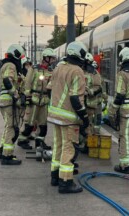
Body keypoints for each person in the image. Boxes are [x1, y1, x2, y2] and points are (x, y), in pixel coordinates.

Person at [47, 41, 89, 193]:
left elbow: (49, 89)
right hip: (69, 118)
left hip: (55, 115)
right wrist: (84, 117)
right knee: (69, 148)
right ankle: (65, 182)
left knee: (58, 145)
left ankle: (55, 176)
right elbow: (75, 99)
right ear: (79, 54)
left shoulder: (58, 68)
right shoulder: (76, 71)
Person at [17, 48, 56, 150]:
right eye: (51, 58)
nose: (53, 60)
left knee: (43, 125)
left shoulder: (51, 71)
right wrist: (28, 97)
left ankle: (40, 142)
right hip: (33, 100)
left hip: (44, 100)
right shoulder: (34, 69)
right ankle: (22, 140)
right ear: (45, 58)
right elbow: (27, 84)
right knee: (29, 123)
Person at [0, 44, 25, 165]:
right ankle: (7, 156)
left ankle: (2, 150)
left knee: (8, 126)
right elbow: (7, 80)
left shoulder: (4, 65)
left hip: (4, 98)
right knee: (12, 127)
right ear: (16, 55)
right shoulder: (11, 65)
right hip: (9, 100)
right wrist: (16, 95)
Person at [79, 53, 103, 153]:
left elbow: (98, 87)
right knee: (79, 124)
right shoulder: (78, 71)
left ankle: (87, 144)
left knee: (87, 124)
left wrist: (90, 91)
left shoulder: (94, 73)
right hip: (79, 103)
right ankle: (80, 143)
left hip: (89, 103)